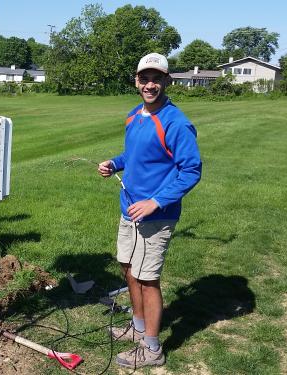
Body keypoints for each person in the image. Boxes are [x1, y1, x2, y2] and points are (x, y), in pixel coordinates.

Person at [98, 53, 202, 368]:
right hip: (129, 209)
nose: (150, 84)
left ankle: (153, 350)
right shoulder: (135, 116)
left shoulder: (177, 123)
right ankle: (138, 328)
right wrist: (114, 163)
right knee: (128, 268)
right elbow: (135, 154)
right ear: (136, 80)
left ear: (167, 82)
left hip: (156, 216)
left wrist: (156, 201)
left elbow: (191, 170)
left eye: (157, 79)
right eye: (145, 78)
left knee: (147, 279)